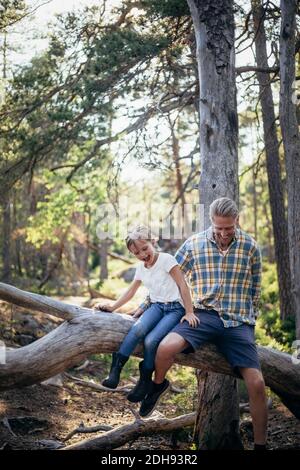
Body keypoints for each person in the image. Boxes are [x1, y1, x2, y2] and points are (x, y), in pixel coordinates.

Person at [139, 198, 268, 451]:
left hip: (237, 322)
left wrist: (250, 321)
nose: (223, 233)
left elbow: (255, 288)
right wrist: (144, 307)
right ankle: (157, 386)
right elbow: (167, 278)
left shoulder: (250, 247)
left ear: (237, 221)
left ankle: (260, 446)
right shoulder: (194, 244)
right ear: (211, 222)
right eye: (219, 228)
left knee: (257, 384)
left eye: (228, 228)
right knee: (165, 348)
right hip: (203, 315)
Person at [94, 225, 199, 403]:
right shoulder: (141, 267)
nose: (143, 255)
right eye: (137, 253)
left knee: (151, 341)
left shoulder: (166, 260)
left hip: (175, 309)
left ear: (153, 242)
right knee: (138, 328)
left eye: (145, 249)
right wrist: (113, 307)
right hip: (157, 307)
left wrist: (189, 311)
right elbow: (130, 291)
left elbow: (183, 285)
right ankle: (115, 370)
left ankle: (144, 381)